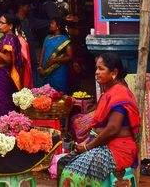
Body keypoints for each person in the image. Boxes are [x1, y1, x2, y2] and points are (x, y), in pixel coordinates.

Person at [59, 53, 141, 187]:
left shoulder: (119, 93)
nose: (96, 72)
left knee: (71, 173)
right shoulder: (108, 92)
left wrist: (88, 146)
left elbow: (113, 129)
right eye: (96, 68)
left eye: (101, 69)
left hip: (118, 149)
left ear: (114, 72)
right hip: (104, 145)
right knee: (63, 162)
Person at [0, 12, 31, 127]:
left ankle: (0, 129)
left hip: (2, 76)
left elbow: (8, 60)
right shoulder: (5, 37)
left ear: (10, 26)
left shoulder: (9, 38)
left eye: (2, 23)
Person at [39, 15, 72, 95]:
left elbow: (70, 56)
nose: (50, 25)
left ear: (58, 26)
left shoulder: (65, 39)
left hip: (59, 70)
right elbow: (42, 53)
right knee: (47, 92)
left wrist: (55, 60)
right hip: (46, 70)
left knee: (59, 93)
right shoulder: (47, 38)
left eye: (52, 23)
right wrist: (40, 66)